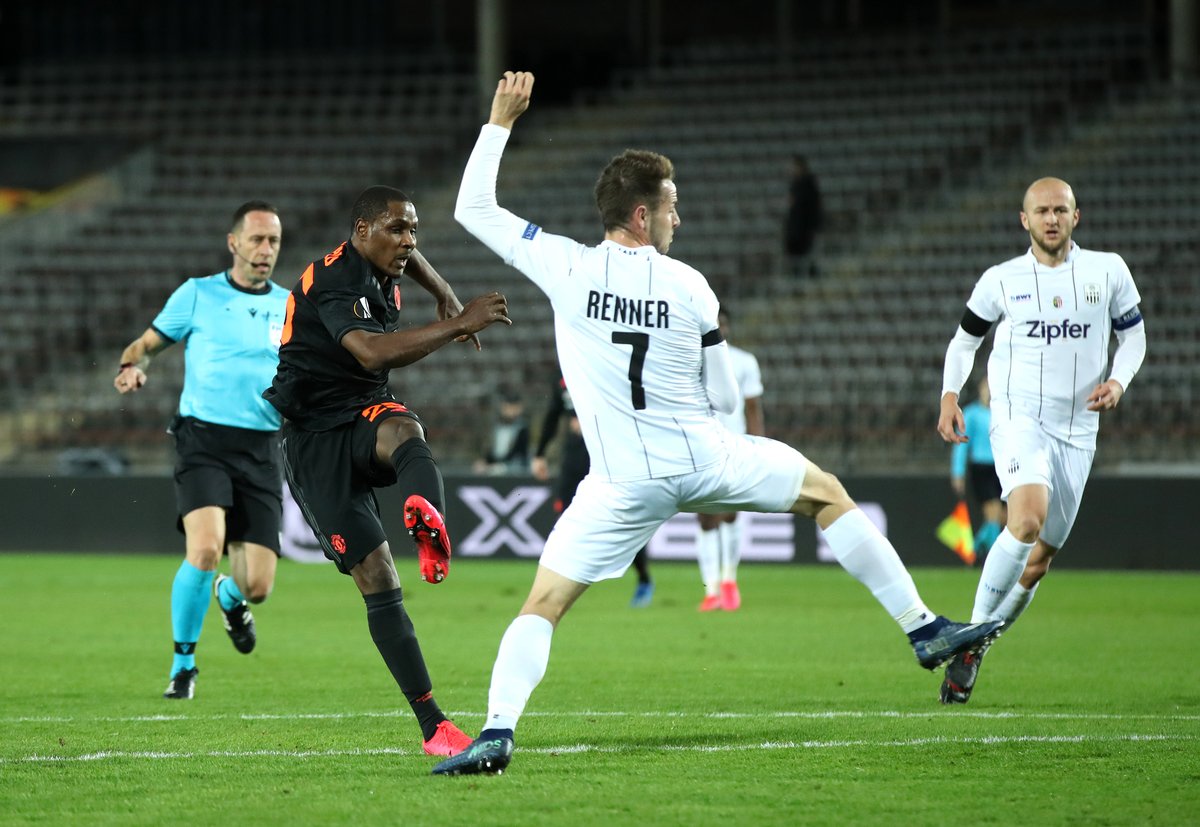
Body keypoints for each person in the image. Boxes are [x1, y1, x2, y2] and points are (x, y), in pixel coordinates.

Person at [432, 71, 1001, 776]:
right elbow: (726, 391)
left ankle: (496, 732)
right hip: (705, 458)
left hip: (620, 483)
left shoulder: (566, 267)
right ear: (642, 215)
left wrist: (501, 120)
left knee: (543, 604)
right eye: (672, 207)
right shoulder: (692, 286)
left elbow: (473, 207)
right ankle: (922, 627)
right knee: (825, 492)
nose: (680, 219)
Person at [262, 185, 511, 755]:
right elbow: (372, 353)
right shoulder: (334, 281)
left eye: (414, 229)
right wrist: (459, 323)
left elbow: (411, 260)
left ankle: (428, 526)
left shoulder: (384, 258)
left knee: (405, 431)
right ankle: (435, 727)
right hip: (314, 437)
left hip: (364, 407)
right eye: (397, 229)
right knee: (377, 577)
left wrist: (443, 291)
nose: (408, 241)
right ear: (362, 231)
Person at [936, 177, 1146, 705]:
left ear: (1077, 216)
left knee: (1037, 563)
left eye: (1060, 210)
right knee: (1025, 520)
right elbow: (965, 341)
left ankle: (975, 649)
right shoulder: (1001, 280)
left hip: (1078, 429)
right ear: (1023, 220)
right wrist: (949, 396)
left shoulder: (1108, 271)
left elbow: (1134, 335)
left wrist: (1119, 381)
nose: (1051, 219)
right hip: (1019, 418)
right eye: (1041, 211)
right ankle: (971, 637)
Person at [115, 200, 289, 700]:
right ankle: (184, 666)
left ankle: (229, 597)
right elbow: (143, 346)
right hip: (203, 441)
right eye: (257, 239)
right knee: (207, 548)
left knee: (258, 586)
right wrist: (131, 367)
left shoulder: (289, 305)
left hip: (261, 446)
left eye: (274, 241)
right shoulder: (197, 294)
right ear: (233, 243)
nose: (266, 250)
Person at [531, 373, 654, 608]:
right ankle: (563, 585)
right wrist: (539, 453)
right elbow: (553, 414)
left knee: (624, 520)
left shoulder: (599, 367)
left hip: (605, 457)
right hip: (573, 459)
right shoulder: (561, 378)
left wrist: (591, 418)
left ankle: (644, 578)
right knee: (565, 520)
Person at [696, 307, 763, 612]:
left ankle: (728, 579)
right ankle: (711, 589)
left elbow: (753, 407)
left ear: (728, 327)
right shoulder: (691, 358)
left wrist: (759, 446)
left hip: (735, 445)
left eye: (722, 323)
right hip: (701, 446)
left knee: (730, 513)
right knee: (706, 517)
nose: (719, 328)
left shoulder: (744, 361)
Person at [949, 376, 1005, 557]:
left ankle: (976, 548)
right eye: (986, 387)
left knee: (1001, 517)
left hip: (1001, 468)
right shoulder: (971, 414)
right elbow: (961, 445)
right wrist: (958, 472)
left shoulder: (1003, 413)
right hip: (981, 468)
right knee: (994, 512)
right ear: (981, 390)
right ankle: (990, 554)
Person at [473, 386, 531, 475]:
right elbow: (493, 452)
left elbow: (519, 455)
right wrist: (485, 461)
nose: (510, 411)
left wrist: (501, 466)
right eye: (508, 407)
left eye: (513, 407)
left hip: (514, 468)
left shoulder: (522, 429)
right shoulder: (496, 427)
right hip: (496, 466)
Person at [784, 154, 821, 278]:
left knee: (805, 255)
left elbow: (812, 207)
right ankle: (799, 277)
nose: (791, 170)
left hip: (804, 228)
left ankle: (811, 276)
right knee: (795, 257)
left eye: (793, 167)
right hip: (795, 229)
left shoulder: (808, 184)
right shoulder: (795, 184)